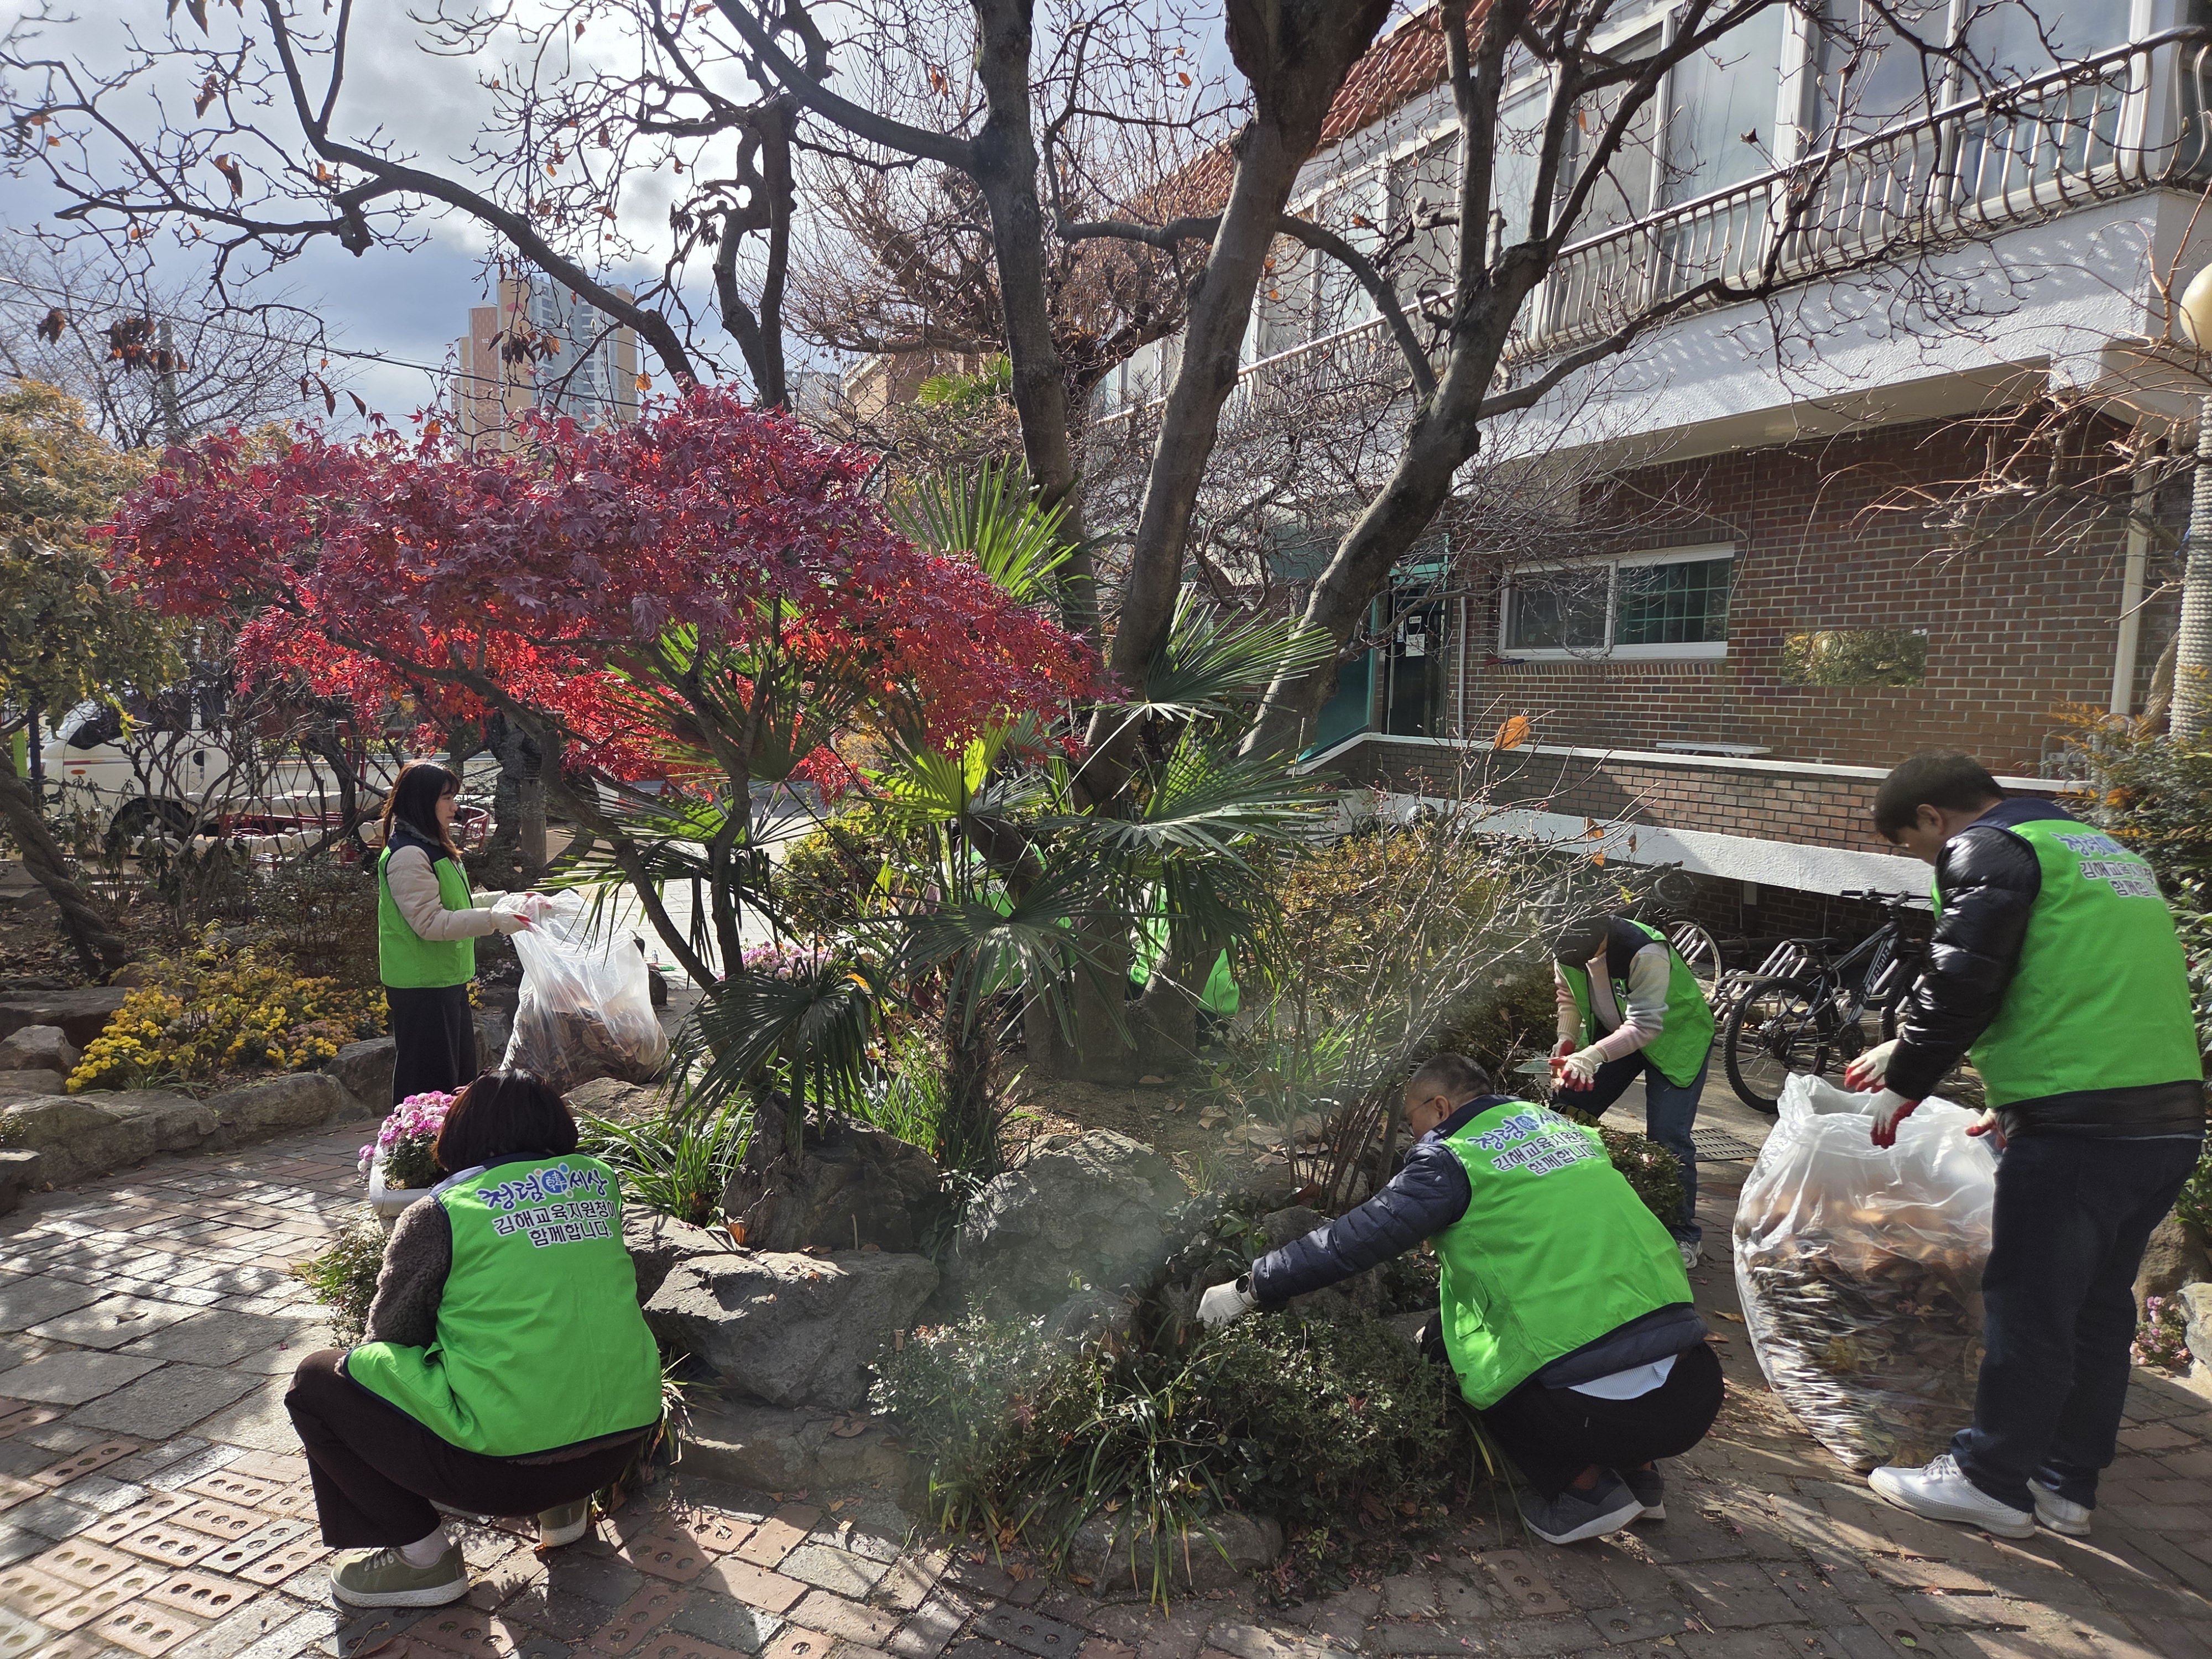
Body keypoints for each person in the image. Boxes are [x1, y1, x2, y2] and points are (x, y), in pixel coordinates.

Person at [1845, 753, 2205, 1541]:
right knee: (2097, 1308)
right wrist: (2013, 1096)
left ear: (1933, 818)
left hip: (2081, 1125)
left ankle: (1989, 1480)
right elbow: (2081, 984)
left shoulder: (1988, 848)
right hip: (2167, 1116)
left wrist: (1906, 1079)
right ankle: (2065, 1485)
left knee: (2030, 1305)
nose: (1926, 861)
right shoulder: (2102, 851)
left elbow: (1964, 975)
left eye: (1914, 847)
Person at [1197, 1052, 1720, 1545]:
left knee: (1460, 1359)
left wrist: (1252, 1286)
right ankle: (1643, 1479)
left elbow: (1352, 1241)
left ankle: (1585, 1493)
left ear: (1441, 1108)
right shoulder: (1559, 1128)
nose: (1412, 1135)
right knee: (1614, 1329)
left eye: (1412, 1120)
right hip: (1696, 1387)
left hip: (1596, 1412)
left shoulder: (1452, 1159)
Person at [285, 1071, 665, 1606]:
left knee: (318, 1381)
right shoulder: (599, 1184)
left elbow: (390, 1336)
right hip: (617, 1447)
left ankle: (423, 1560)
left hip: (503, 1477)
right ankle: (565, 1510)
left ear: (460, 1134)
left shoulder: (443, 1210)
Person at [1550, 912, 1716, 1269]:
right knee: (1568, 1109)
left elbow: (1645, 1025)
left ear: (1599, 937)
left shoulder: (1645, 950)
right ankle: (1568, 1207)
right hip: (1616, 1038)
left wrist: (1592, 1055)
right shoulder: (1565, 940)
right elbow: (1568, 995)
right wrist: (1567, 1039)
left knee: (1668, 1137)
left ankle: (1683, 1234)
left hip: (1675, 1038)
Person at [377, 759, 529, 1105]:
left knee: (454, 1086)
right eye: (446, 798)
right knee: (428, 1090)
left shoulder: (431, 846)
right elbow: (430, 922)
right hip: (422, 986)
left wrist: (506, 902)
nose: (455, 807)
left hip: (444, 980)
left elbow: (454, 904)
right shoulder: (408, 855)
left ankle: (447, 1140)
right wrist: (493, 919)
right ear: (422, 801)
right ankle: (417, 1141)